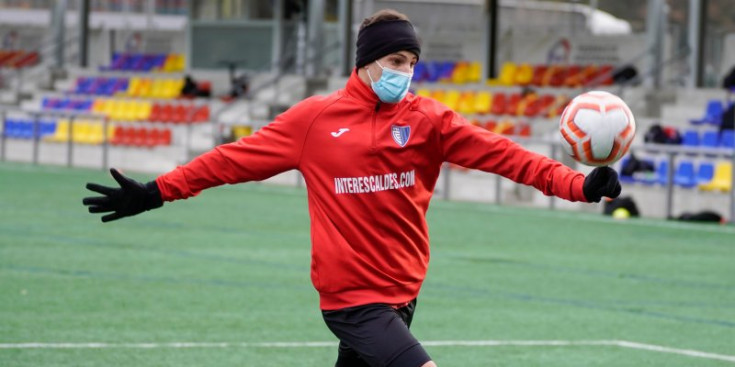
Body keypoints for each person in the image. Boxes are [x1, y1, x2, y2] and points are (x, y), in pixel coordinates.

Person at [83, 9, 621, 367]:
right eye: (394, 61)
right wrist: (155, 192)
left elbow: (507, 157)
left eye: (410, 63)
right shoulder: (313, 121)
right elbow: (231, 161)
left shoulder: (430, 120)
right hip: (351, 301)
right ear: (365, 63)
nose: (404, 73)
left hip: (403, 294)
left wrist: (579, 184)